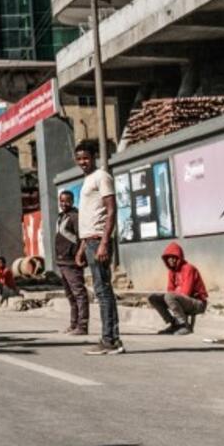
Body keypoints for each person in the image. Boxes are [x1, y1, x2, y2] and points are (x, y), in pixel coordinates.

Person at [74, 141, 123, 356]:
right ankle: (109, 338)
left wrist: (104, 242)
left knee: (104, 291)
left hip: (98, 241)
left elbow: (111, 210)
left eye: (86, 158)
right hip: (90, 241)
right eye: (79, 159)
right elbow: (90, 216)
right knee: (101, 291)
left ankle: (110, 340)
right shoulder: (87, 180)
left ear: (94, 157)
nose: (82, 162)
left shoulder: (102, 176)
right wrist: (82, 247)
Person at [148, 242, 209, 335]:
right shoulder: (172, 272)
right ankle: (173, 324)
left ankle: (184, 325)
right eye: (168, 258)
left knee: (169, 296)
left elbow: (186, 292)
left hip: (198, 303)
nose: (171, 260)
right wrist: (174, 293)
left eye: (173, 257)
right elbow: (170, 289)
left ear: (179, 258)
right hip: (182, 300)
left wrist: (175, 293)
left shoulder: (188, 268)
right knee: (153, 298)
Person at [55, 190, 88, 335]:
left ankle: (82, 326)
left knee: (79, 294)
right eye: (62, 201)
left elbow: (83, 239)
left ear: (72, 201)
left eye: (67, 200)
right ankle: (73, 324)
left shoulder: (75, 217)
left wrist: (79, 255)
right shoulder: (61, 217)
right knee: (70, 295)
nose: (64, 203)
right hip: (62, 262)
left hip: (72, 262)